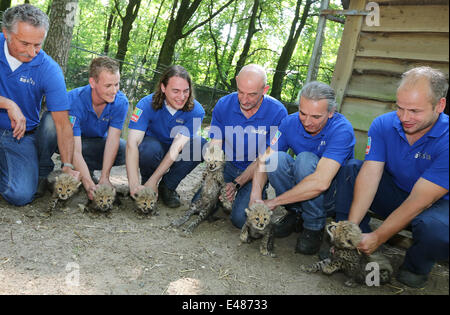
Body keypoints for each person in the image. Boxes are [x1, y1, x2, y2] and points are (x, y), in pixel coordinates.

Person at [335, 66, 449, 288]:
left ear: (440, 106)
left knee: (436, 229)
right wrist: (351, 230)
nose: (405, 118)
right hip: (397, 191)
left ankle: (416, 266)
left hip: (435, 205)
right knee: (352, 170)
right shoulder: (383, 124)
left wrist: (380, 237)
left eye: (415, 111)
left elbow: (420, 201)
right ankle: (353, 242)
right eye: (400, 108)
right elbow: (370, 175)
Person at [250, 81, 355, 255]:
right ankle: (295, 213)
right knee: (275, 159)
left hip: (328, 196)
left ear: (331, 112)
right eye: (303, 113)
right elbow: (265, 158)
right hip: (299, 191)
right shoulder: (289, 122)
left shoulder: (342, 130)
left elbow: (320, 182)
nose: (307, 122)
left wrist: (274, 202)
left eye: (316, 117)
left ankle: (314, 224)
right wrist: (255, 192)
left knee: (304, 160)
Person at [0, 4, 78, 206]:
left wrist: (67, 164)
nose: (32, 52)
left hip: (19, 136)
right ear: (6, 32)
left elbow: (61, 123)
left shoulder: (49, 69)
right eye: (25, 43)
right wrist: (7, 103)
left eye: (38, 44)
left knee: (20, 195)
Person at [36, 56, 129, 200]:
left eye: (117, 84)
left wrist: (105, 177)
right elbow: (74, 149)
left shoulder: (121, 103)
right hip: (66, 143)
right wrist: (89, 184)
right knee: (50, 120)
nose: (114, 90)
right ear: (93, 82)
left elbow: (113, 141)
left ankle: (86, 171)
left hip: (93, 143)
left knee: (123, 148)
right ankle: (41, 175)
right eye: (108, 85)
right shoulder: (74, 100)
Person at [208, 64, 288, 229]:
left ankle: (248, 195)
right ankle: (223, 200)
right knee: (203, 203)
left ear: (265, 89)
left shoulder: (278, 113)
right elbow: (215, 145)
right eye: (240, 92)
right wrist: (215, 178)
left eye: (252, 94)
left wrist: (236, 184)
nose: (244, 100)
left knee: (240, 220)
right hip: (228, 164)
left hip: (256, 172)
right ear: (237, 82)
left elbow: (265, 159)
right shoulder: (224, 104)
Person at [126, 65, 207, 208]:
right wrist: (133, 183)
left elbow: (177, 147)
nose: (182, 97)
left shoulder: (197, 111)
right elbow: (132, 143)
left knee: (200, 145)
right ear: (163, 88)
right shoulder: (145, 104)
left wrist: (155, 180)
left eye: (186, 91)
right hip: (153, 148)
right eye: (176, 91)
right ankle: (146, 183)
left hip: (176, 152)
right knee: (148, 148)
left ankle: (167, 186)